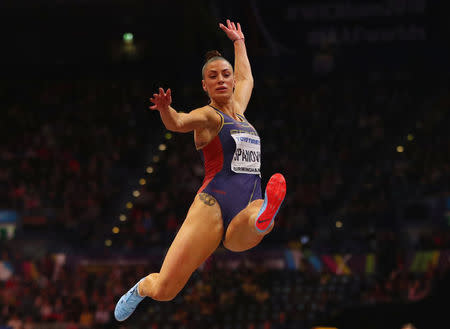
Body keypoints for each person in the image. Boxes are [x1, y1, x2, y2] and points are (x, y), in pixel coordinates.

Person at [114, 19, 286, 321]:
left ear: (232, 81)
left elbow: (248, 78)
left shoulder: (241, 113)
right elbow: (179, 123)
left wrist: (239, 41)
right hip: (213, 204)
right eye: (212, 76)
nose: (221, 80)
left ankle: (266, 214)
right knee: (166, 289)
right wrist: (166, 109)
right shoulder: (210, 116)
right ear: (204, 85)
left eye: (225, 74)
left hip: (248, 203)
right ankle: (142, 287)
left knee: (241, 236)